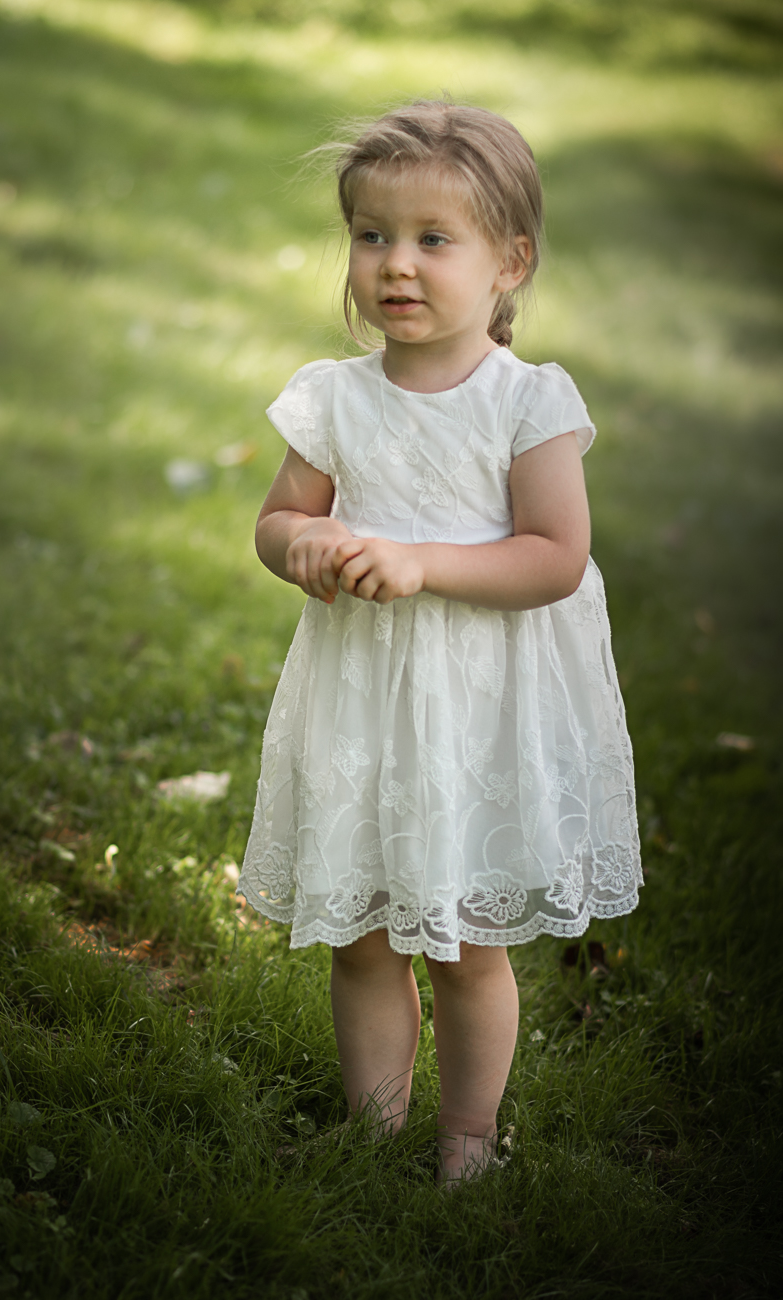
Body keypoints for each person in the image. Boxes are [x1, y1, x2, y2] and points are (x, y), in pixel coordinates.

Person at [238, 100, 642, 1184]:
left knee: (464, 938)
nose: (396, 264)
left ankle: (468, 1136)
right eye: (371, 235)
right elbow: (277, 521)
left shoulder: (526, 404)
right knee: (362, 933)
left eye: (432, 239)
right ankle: (370, 1134)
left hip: (478, 709)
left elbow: (554, 556)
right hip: (366, 700)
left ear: (510, 262)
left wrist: (422, 564)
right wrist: (305, 543)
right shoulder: (335, 399)